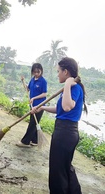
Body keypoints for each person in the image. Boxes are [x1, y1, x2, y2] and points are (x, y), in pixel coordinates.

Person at [31, 57, 87, 194]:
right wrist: (42, 108)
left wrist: (67, 85)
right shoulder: (71, 89)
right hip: (64, 131)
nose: (57, 74)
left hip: (65, 133)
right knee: (65, 167)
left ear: (66, 72)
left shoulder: (74, 88)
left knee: (58, 170)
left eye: (58, 71)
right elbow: (60, 108)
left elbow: (67, 107)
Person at [17, 63, 47, 148]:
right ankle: (34, 140)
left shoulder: (43, 81)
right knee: (34, 122)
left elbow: (44, 94)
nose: (36, 74)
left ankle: (25, 142)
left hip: (39, 106)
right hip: (32, 105)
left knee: (32, 123)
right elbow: (27, 89)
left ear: (41, 71)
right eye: (34, 72)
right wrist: (23, 82)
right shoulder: (33, 79)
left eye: (38, 72)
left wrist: (34, 98)